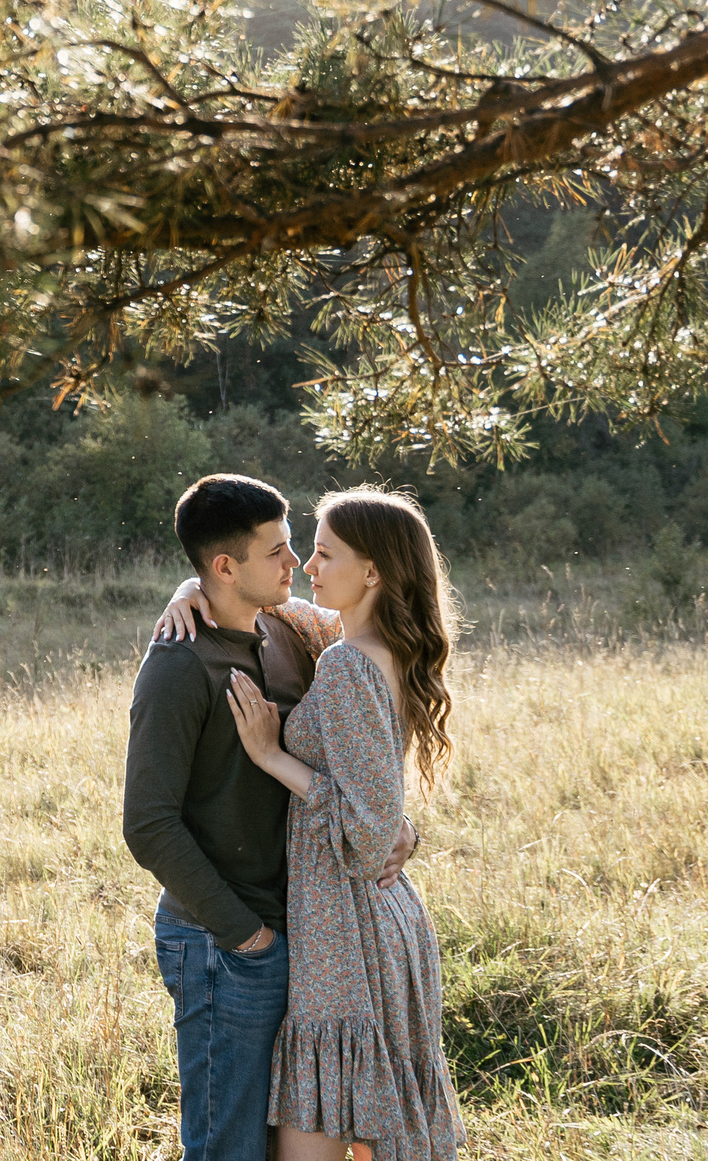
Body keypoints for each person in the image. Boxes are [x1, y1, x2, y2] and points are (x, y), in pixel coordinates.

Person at [125, 475, 418, 1161]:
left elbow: (363, 743)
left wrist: (399, 824)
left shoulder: (288, 630)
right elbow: (147, 823)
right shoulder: (177, 665)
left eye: (300, 548)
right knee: (228, 1144)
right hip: (225, 941)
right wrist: (246, 938)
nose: (297, 565)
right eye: (279, 552)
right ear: (225, 566)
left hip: (308, 936)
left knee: (269, 1143)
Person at [222, 487, 465, 1161]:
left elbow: (364, 833)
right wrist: (191, 588)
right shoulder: (372, 647)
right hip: (379, 924)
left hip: (347, 931)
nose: (308, 566)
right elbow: (381, 805)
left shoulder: (348, 665)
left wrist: (273, 756)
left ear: (374, 572)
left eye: (326, 553)